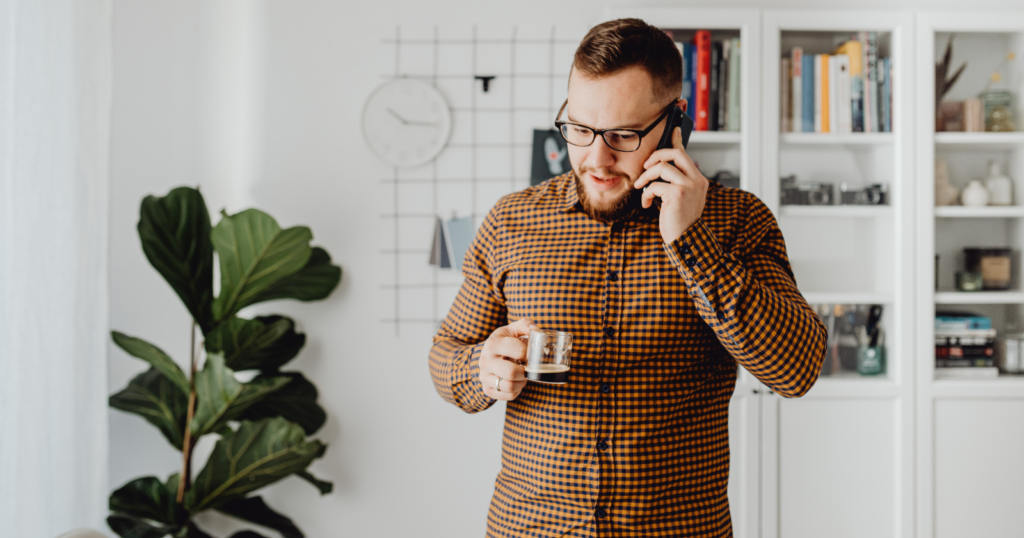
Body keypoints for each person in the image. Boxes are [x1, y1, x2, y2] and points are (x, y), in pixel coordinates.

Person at [428, 18, 826, 538]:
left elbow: (796, 371)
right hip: (528, 527)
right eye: (579, 128)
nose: (596, 159)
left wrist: (691, 241)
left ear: (676, 124)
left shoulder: (738, 221)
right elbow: (447, 351)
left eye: (623, 135)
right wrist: (481, 368)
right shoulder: (512, 220)